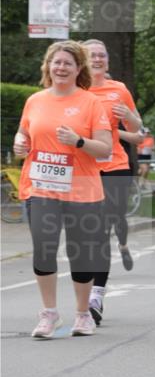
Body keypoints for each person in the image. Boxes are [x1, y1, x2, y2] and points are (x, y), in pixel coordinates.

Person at [13, 41, 112, 338]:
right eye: (56, 62)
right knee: (43, 250)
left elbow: (105, 149)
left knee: (80, 253)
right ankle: (49, 314)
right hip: (41, 187)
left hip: (81, 190)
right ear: (48, 66)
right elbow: (24, 132)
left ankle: (82, 314)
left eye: (68, 63)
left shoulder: (91, 103)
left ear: (78, 68)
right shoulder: (35, 100)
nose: (61, 67)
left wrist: (78, 141)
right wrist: (19, 143)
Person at [83, 40, 143, 324]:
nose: (96, 59)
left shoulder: (118, 89)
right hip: (83, 170)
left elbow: (136, 127)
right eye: (91, 55)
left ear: (107, 61)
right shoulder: (74, 90)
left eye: (101, 55)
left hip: (115, 167)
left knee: (102, 231)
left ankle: (96, 294)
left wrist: (129, 116)